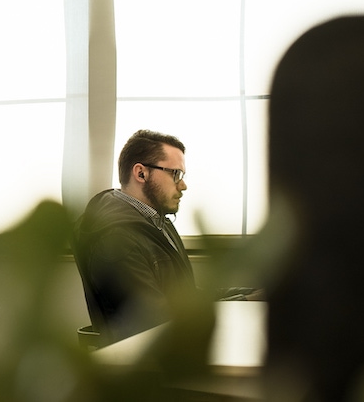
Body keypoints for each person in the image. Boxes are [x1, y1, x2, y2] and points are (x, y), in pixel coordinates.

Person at [72, 129, 253, 345]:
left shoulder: (157, 222)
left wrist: (248, 295)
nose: (183, 185)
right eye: (175, 174)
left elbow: (185, 299)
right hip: (146, 368)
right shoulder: (116, 238)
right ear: (141, 173)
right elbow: (152, 321)